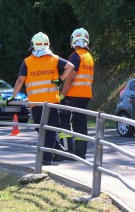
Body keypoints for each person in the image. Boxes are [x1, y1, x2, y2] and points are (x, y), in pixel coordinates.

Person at [6, 32, 74, 165]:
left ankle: (47, 158)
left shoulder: (27, 62)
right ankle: (56, 150)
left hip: (36, 103)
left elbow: (20, 81)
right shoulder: (54, 59)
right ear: (48, 45)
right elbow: (70, 66)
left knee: (42, 129)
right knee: (50, 129)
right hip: (51, 102)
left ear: (33, 45)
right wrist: (60, 80)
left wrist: (12, 96)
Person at [58, 28, 94, 160]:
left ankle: (66, 150)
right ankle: (80, 153)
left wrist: (62, 94)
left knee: (63, 120)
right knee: (80, 123)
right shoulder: (89, 57)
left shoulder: (75, 55)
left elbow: (71, 77)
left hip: (73, 94)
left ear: (73, 40)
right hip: (85, 95)